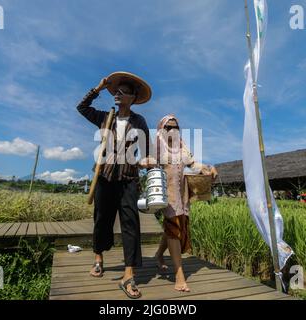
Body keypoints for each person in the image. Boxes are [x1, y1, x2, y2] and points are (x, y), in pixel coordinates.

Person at [76, 72, 152, 299]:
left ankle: (129, 275)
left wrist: (146, 161)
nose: (117, 95)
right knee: (101, 218)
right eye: (116, 92)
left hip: (128, 179)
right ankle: (98, 257)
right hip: (105, 177)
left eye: (122, 93)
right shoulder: (104, 117)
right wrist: (98, 88)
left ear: (132, 98)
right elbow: (81, 107)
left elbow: (146, 152)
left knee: (131, 224)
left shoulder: (139, 122)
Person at [150, 114, 217, 292]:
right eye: (168, 127)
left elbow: (193, 164)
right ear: (161, 130)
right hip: (167, 195)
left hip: (182, 194)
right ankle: (179, 274)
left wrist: (208, 169)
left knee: (175, 227)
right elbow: (149, 164)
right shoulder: (157, 146)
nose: (172, 130)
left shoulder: (182, 147)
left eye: (176, 127)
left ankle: (158, 255)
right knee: (173, 230)